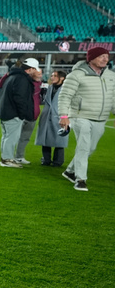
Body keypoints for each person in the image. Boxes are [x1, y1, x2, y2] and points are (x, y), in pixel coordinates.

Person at [58, 47, 115, 191]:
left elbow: (112, 98)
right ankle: (81, 179)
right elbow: (65, 96)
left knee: (91, 148)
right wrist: (64, 116)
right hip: (79, 116)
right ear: (91, 58)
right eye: (101, 56)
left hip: (100, 118)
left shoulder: (111, 76)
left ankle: (70, 171)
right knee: (83, 146)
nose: (105, 59)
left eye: (107, 56)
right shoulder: (76, 75)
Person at [0, 58, 40, 168]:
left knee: (6, 137)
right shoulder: (22, 79)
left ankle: (5, 157)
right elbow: (20, 98)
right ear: (30, 69)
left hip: (5, 111)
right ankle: (7, 159)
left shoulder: (13, 76)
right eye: (35, 69)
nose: (36, 72)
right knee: (11, 138)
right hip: (13, 113)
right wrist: (21, 114)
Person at [36, 70, 68, 167]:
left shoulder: (66, 89)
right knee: (45, 139)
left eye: (55, 75)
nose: (52, 77)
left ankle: (58, 161)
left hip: (60, 117)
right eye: (52, 75)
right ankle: (46, 160)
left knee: (59, 140)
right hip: (46, 116)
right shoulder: (49, 88)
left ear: (62, 78)